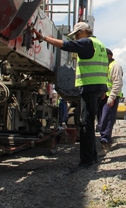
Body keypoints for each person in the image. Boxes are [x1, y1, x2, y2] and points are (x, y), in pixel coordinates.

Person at [32, 22, 108, 171]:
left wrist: (44, 38)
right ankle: (92, 156)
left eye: (77, 35)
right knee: (89, 122)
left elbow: (65, 45)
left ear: (85, 31)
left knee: (85, 123)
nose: (76, 38)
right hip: (98, 87)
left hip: (89, 86)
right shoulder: (100, 44)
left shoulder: (86, 42)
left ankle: (86, 160)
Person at [99, 48, 123, 153]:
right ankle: (105, 139)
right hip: (103, 97)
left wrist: (112, 97)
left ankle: (105, 143)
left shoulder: (115, 66)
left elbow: (117, 82)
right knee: (101, 121)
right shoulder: (104, 66)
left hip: (111, 97)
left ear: (110, 55)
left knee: (106, 120)